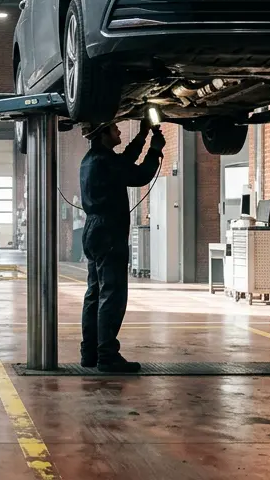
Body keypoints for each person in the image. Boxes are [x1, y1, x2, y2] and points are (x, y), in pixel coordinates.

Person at [79, 117, 164, 373]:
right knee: (112, 293)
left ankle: (90, 353)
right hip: (109, 232)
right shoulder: (104, 161)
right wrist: (155, 149)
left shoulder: (92, 159)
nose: (118, 130)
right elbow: (139, 175)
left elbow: (124, 161)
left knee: (94, 293)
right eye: (114, 128)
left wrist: (143, 135)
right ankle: (107, 356)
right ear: (103, 133)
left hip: (93, 230)